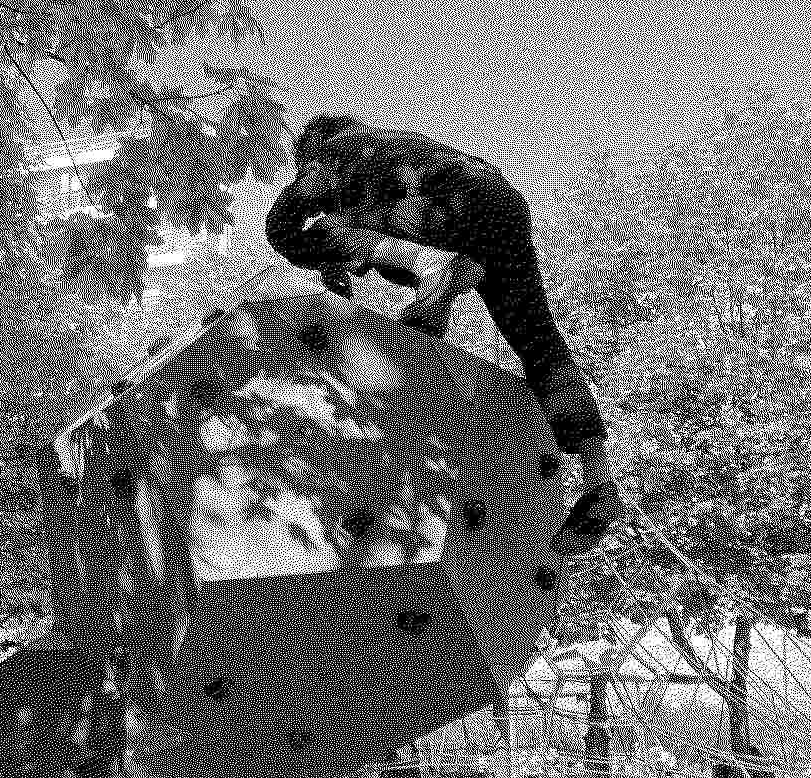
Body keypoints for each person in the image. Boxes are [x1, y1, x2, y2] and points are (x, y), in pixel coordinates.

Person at [265, 113, 622, 557]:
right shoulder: (395, 140)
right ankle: (599, 476)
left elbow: (282, 226)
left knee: (305, 233)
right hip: (500, 206)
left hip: (440, 214)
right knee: (538, 342)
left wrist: (328, 244)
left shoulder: (331, 153)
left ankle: (438, 285)